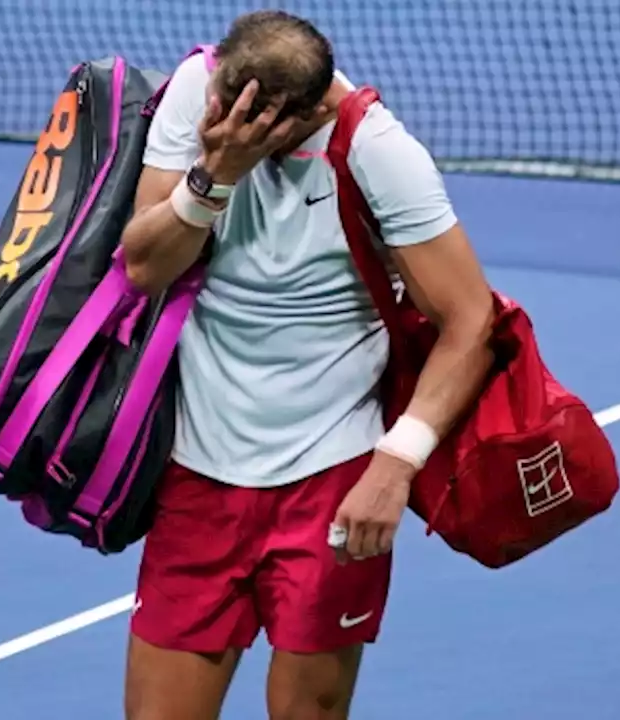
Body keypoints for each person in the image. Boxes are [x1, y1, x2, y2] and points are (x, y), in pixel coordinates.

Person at [120, 10, 496, 720]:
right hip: (197, 476)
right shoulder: (197, 100)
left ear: (302, 115)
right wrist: (214, 175)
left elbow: (470, 319)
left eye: (251, 120)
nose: (226, 124)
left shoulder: (379, 153)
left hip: (331, 484)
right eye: (221, 107)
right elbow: (144, 265)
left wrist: (396, 465)